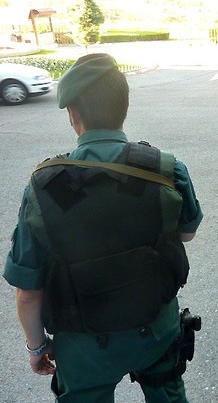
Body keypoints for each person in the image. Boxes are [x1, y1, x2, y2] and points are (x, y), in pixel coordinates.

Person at [3, 53, 203, 402]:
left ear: (73, 114)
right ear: (123, 106)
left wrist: (36, 347)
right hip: (156, 328)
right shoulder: (165, 168)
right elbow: (185, 232)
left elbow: (28, 292)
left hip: (84, 346)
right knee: (168, 393)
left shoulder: (44, 186)